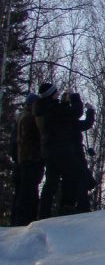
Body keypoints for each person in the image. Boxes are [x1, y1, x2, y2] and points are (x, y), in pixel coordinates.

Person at [33, 82, 79, 218]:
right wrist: (74, 97)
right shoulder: (52, 108)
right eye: (56, 92)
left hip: (50, 149)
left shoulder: (43, 107)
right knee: (72, 177)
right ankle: (66, 210)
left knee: (51, 183)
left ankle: (44, 213)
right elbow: (75, 112)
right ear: (50, 94)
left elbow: (62, 117)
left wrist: (64, 103)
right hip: (60, 148)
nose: (58, 94)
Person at [11, 93, 44, 225]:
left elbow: (14, 143)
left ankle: (18, 218)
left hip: (21, 160)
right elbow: (31, 140)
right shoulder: (30, 118)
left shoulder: (20, 117)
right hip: (29, 159)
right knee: (28, 192)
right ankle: (25, 219)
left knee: (21, 192)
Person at [61, 91, 96, 213]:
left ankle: (69, 206)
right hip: (72, 152)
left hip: (71, 152)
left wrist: (90, 111)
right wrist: (75, 99)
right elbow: (80, 117)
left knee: (72, 180)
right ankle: (81, 207)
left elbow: (85, 124)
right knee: (82, 178)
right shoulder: (64, 115)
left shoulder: (64, 116)